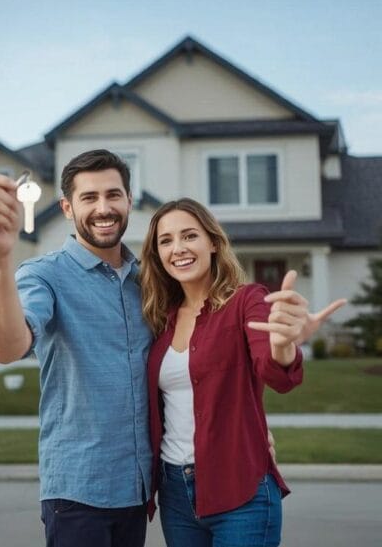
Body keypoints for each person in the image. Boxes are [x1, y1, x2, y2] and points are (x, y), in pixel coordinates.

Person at [0, 149, 336, 547]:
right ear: (67, 208)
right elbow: (7, 346)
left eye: (113, 195)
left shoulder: (153, 286)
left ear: (128, 200)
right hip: (78, 489)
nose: (103, 207)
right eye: (89, 198)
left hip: (140, 490)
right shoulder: (44, 275)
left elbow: (238, 362)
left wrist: (256, 418)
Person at [140, 198, 344, 547]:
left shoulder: (247, 301)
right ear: (157, 253)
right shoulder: (160, 317)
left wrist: (283, 345)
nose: (178, 248)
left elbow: (275, 372)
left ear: (213, 243)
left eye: (190, 236)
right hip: (175, 493)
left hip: (240, 490)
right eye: (166, 240)